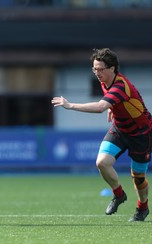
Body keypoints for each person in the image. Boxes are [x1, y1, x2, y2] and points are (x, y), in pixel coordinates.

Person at [51, 48, 151, 222]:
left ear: (112, 68)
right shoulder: (105, 81)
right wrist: (114, 109)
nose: (97, 73)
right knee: (102, 163)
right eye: (94, 69)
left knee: (138, 178)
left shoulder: (120, 85)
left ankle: (142, 207)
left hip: (141, 134)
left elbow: (99, 107)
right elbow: (116, 103)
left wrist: (70, 105)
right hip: (120, 129)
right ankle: (119, 195)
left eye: (101, 69)